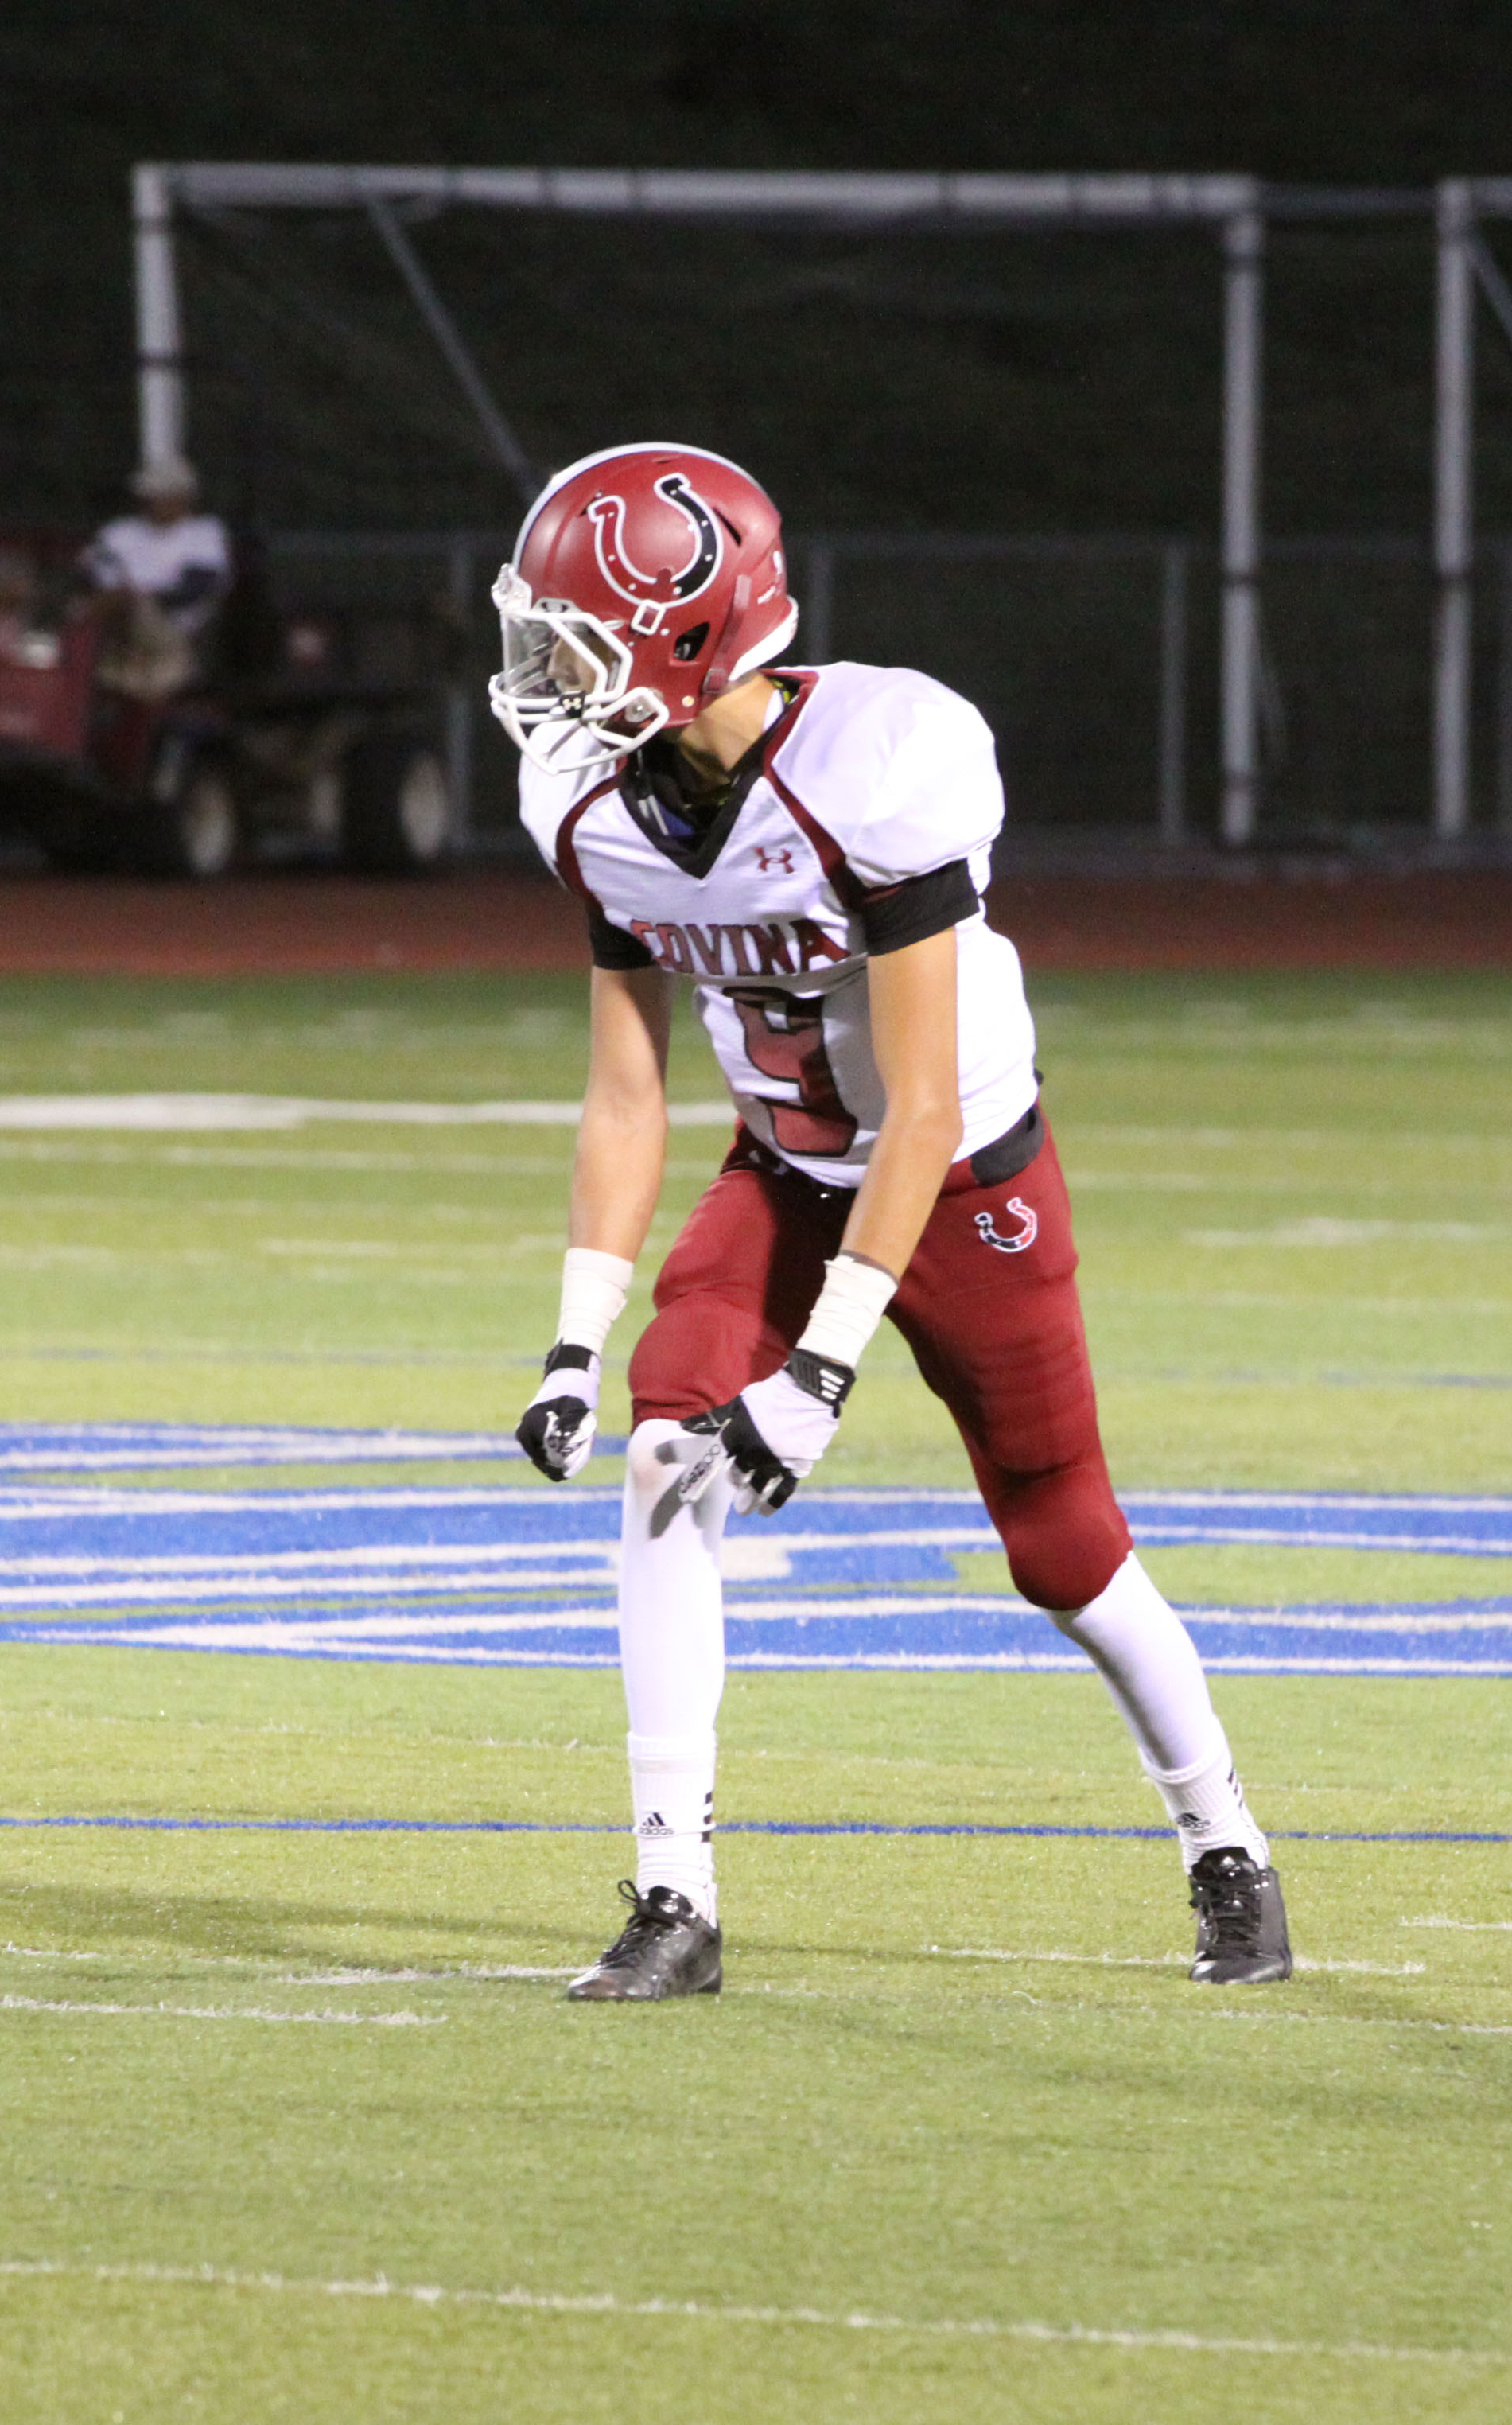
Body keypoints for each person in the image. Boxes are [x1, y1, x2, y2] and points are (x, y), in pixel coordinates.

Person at [490, 443, 1292, 2001]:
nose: (544, 674)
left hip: (965, 1183)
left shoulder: (875, 763)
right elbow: (627, 1091)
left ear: (688, 636)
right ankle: (672, 1895)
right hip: (785, 1170)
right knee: (664, 1448)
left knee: (1063, 1545)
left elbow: (917, 1108)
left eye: (574, 639)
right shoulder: (590, 804)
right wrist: (574, 1340)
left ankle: (1223, 1837)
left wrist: (820, 1372)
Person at [82, 456, 232, 698]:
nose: (153, 502)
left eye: (162, 495)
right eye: (150, 495)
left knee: (121, 604)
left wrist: (140, 597)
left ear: (184, 497)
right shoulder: (120, 532)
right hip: (111, 621)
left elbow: (192, 591)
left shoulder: (203, 534)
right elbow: (91, 574)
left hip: (171, 626)